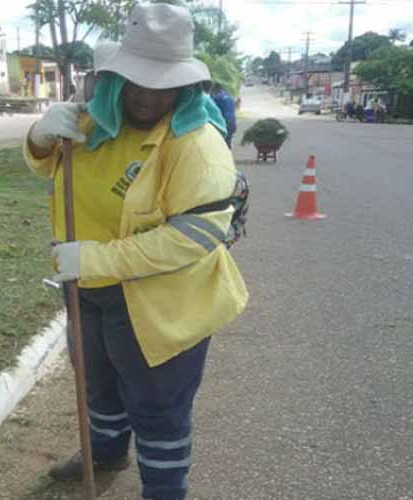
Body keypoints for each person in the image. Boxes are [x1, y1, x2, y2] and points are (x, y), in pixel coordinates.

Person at [23, 4, 247, 500]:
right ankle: (105, 452)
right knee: (97, 380)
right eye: (138, 80)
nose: (150, 95)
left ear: (185, 85)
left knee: (157, 403)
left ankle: (165, 490)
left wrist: (94, 260)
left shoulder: (197, 144)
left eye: (164, 83)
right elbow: (50, 170)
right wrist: (40, 138)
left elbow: (196, 236)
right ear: (115, 77)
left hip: (162, 298)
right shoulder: (93, 122)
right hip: (88, 288)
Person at [211, 82, 237, 148]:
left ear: (215, 89)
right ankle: (229, 156)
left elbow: (212, 111)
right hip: (232, 122)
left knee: (221, 145)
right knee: (228, 142)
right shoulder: (230, 97)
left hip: (224, 123)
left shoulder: (216, 98)